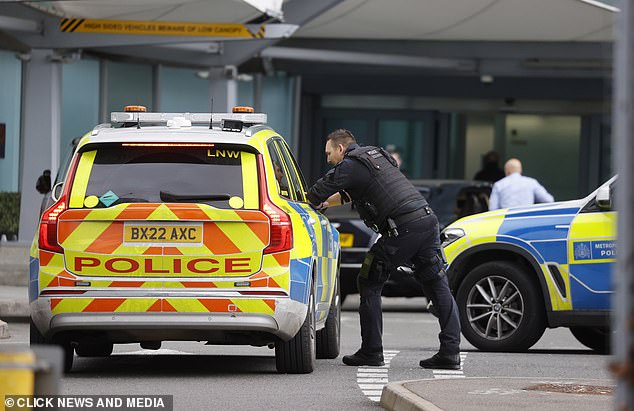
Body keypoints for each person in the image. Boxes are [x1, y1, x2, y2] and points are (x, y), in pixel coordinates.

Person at [306, 129, 461, 370]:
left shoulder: (350, 164)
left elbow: (318, 190)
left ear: (340, 149)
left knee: (368, 280)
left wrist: (309, 199)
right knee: (436, 283)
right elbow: (351, 193)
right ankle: (450, 353)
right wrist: (327, 204)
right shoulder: (377, 155)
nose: (327, 159)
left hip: (403, 228)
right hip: (426, 220)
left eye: (328, 154)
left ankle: (371, 351)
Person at [489, 158, 554, 210]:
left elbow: (493, 208)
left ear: (507, 171)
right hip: (526, 219)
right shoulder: (531, 182)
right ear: (520, 170)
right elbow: (549, 200)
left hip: (507, 220)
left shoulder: (499, 184)